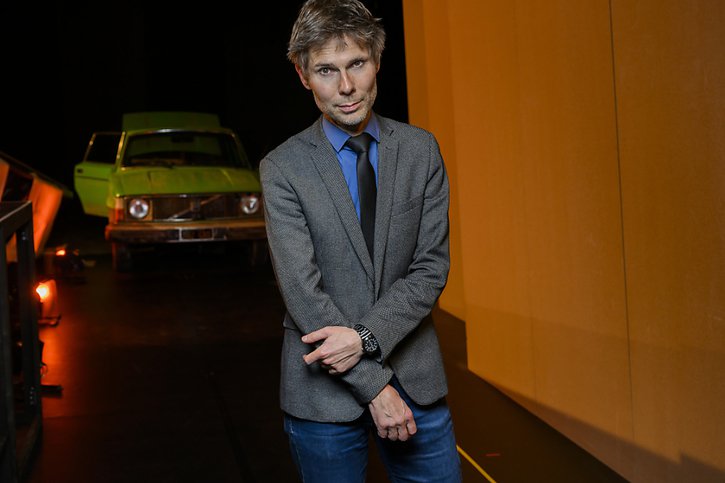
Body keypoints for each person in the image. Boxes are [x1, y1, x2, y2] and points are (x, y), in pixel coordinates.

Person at [260, 0, 462, 481]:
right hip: (322, 395)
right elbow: (303, 295)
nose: (346, 87)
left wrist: (366, 338)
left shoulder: (420, 151)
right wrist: (375, 387)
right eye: (326, 70)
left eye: (357, 64)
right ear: (303, 75)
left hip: (415, 374)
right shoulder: (282, 168)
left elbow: (430, 269)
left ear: (377, 60)